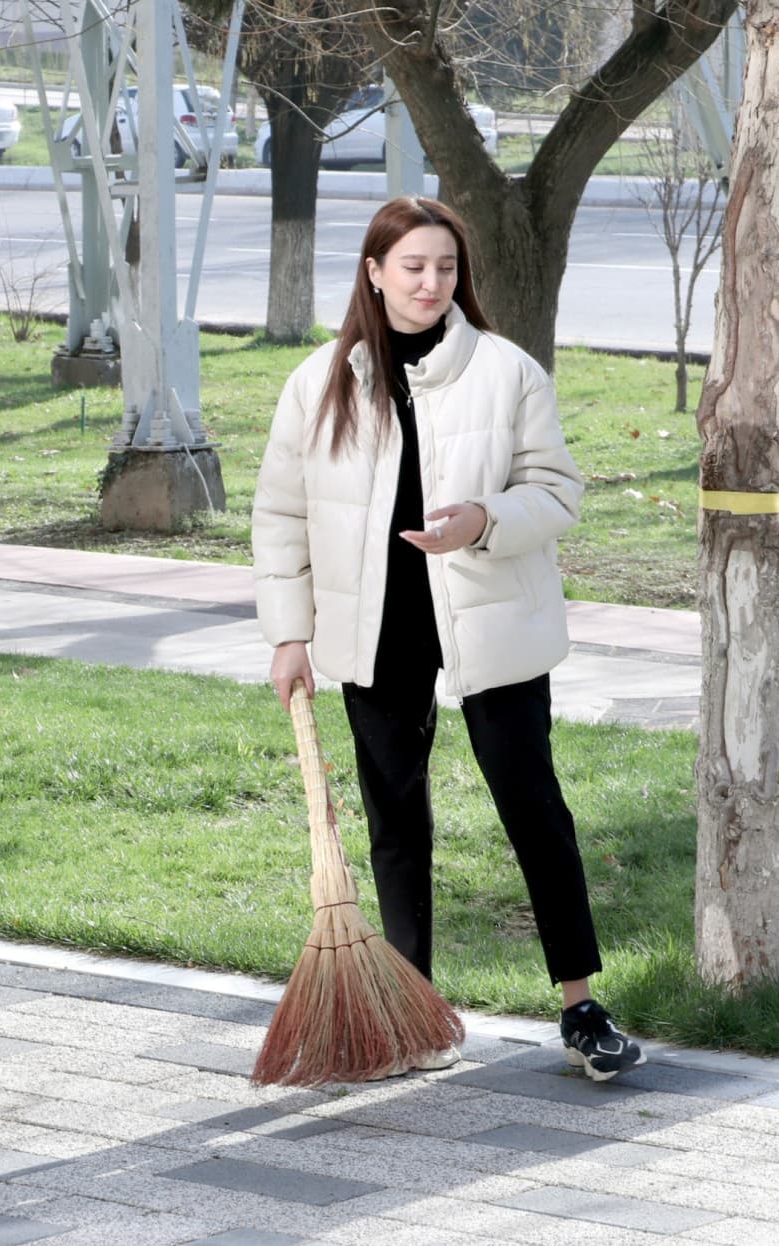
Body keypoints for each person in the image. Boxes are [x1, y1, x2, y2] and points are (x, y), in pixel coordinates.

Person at [251, 196, 645, 1082]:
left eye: (446, 268)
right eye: (414, 267)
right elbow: (279, 515)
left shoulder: (507, 372)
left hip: (492, 620)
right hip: (374, 628)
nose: (431, 283)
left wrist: (485, 519)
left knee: (532, 806)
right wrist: (288, 636)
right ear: (375, 272)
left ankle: (581, 1006)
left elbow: (558, 491)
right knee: (395, 818)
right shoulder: (320, 383)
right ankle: (410, 1011)